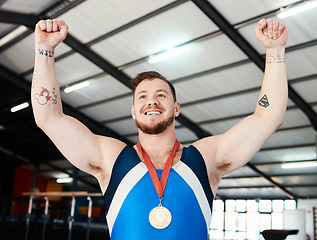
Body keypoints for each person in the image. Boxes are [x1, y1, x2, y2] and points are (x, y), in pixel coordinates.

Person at [31, 18, 288, 240]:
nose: (151, 101)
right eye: (142, 97)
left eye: (161, 95)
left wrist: (275, 52)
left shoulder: (205, 158)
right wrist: (44, 51)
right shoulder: (111, 158)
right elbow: (49, 118)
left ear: (176, 108)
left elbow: (267, 118)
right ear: (133, 110)